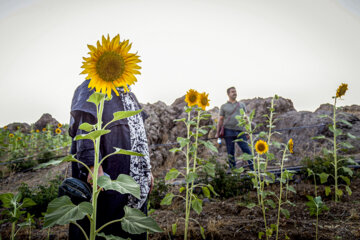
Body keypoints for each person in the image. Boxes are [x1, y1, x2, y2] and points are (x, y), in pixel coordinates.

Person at [68, 79, 153, 240]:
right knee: (104, 227)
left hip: (134, 185)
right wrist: (93, 166)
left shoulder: (128, 95)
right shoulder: (91, 86)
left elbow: (139, 135)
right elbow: (86, 127)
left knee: (132, 229)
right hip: (108, 181)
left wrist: (147, 170)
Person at [216, 87, 253, 170]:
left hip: (240, 131)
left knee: (247, 150)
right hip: (228, 131)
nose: (234, 93)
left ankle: (253, 169)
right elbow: (221, 119)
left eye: (235, 91)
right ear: (228, 94)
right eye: (232, 92)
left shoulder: (241, 105)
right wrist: (217, 132)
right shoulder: (224, 106)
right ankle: (233, 171)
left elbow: (245, 119)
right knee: (231, 152)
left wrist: (247, 132)